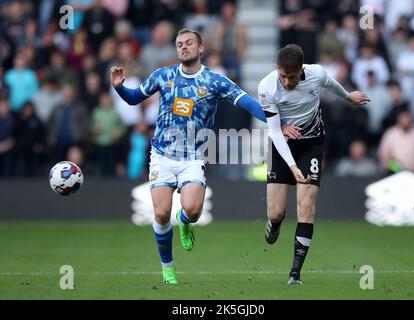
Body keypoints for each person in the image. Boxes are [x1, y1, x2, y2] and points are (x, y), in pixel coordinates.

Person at [110, 28, 266, 284]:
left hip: (193, 156)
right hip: (161, 155)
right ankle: (168, 267)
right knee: (161, 215)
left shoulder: (215, 81)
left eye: (189, 43)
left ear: (201, 48)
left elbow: (247, 103)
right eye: (179, 43)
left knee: (192, 210)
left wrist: (275, 121)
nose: (183, 47)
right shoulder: (164, 75)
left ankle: (185, 222)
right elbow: (134, 99)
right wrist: (119, 88)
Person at [258, 44, 369, 285]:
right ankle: (275, 223)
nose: (287, 82)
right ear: (277, 68)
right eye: (283, 76)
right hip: (281, 146)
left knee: (306, 206)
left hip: (312, 145)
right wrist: (292, 167)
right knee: (275, 212)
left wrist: (348, 96)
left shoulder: (316, 73)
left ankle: (295, 273)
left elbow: (331, 84)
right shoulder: (266, 87)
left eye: (293, 76)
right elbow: (275, 133)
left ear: (302, 70)